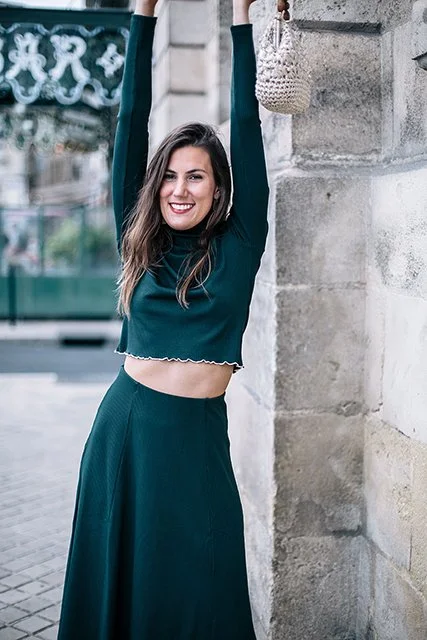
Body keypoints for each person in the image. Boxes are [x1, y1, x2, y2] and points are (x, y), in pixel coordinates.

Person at [57, 0, 274, 637]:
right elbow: (130, 121)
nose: (180, 189)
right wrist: (143, 15)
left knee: (205, 589)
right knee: (124, 587)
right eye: (170, 177)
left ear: (218, 187)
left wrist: (242, 18)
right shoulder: (142, 242)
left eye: (196, 177)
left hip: (196, 439)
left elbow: (246, 123)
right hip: (125, 434)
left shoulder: (239, 245)